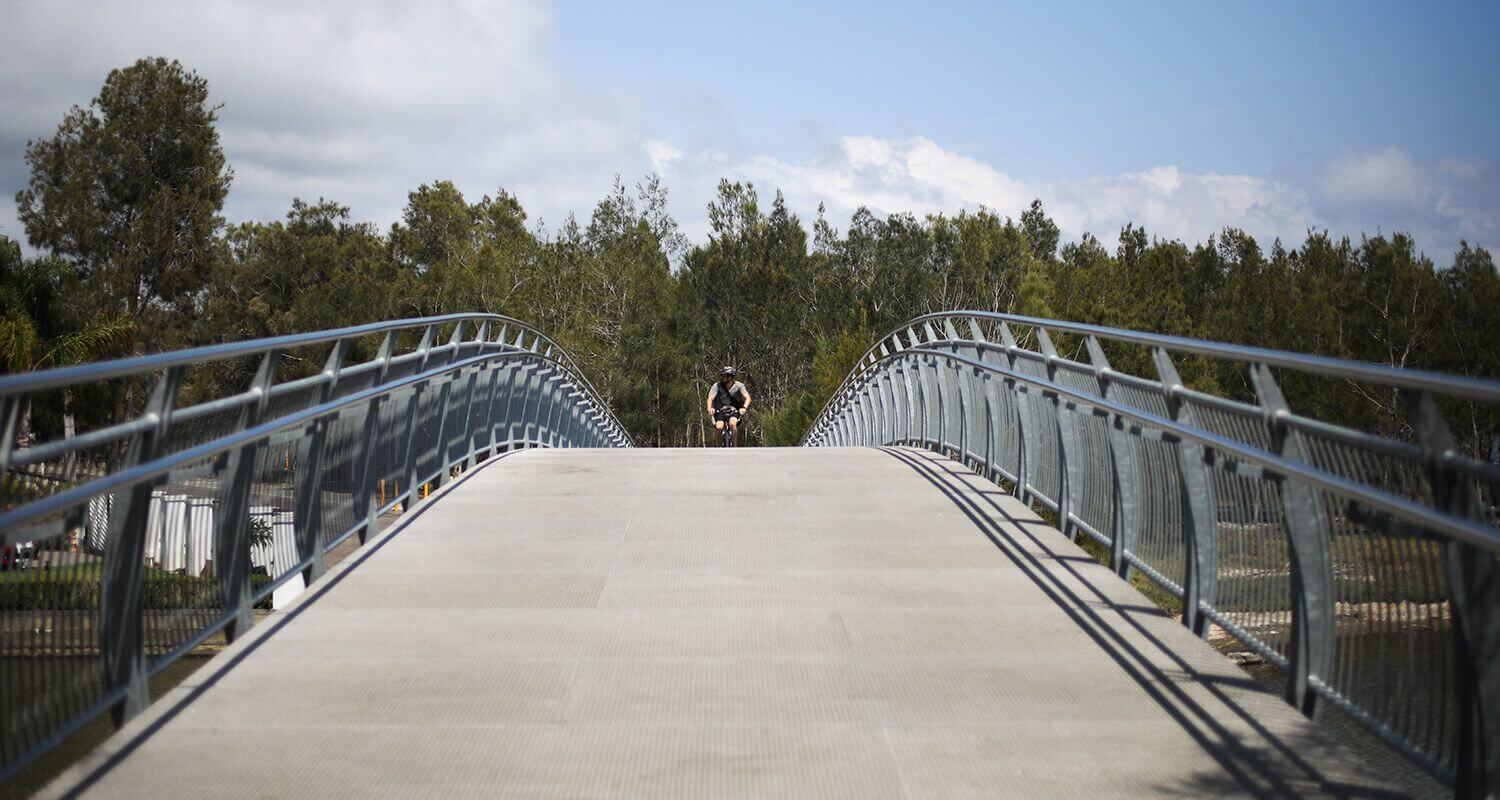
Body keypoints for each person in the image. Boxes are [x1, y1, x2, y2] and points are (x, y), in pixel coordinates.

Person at [706, 366, 751, 446]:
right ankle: (718, 447)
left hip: (734, 411)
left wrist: (744, 408)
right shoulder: (717, 386)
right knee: (719, 427)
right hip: (720, 411)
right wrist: (710, 408)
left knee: (732, 424)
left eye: (724, 376)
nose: (722, 378)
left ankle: (734, 447)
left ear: (730, 377)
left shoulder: (739, 385)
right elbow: (710, 398)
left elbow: (747, 397)